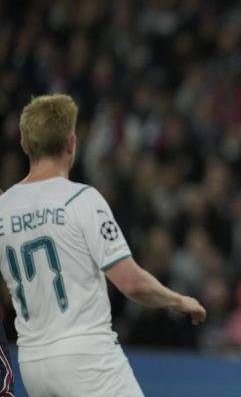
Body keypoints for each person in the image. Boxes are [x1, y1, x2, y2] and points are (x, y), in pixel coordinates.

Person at [0, 94, 207, 397]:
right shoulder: (81, 199)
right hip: (86, 357)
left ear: (24, 144)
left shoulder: (4, 207)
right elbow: (132, 283)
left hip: (32, 362)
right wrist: (179, 301)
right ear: (71, 143)